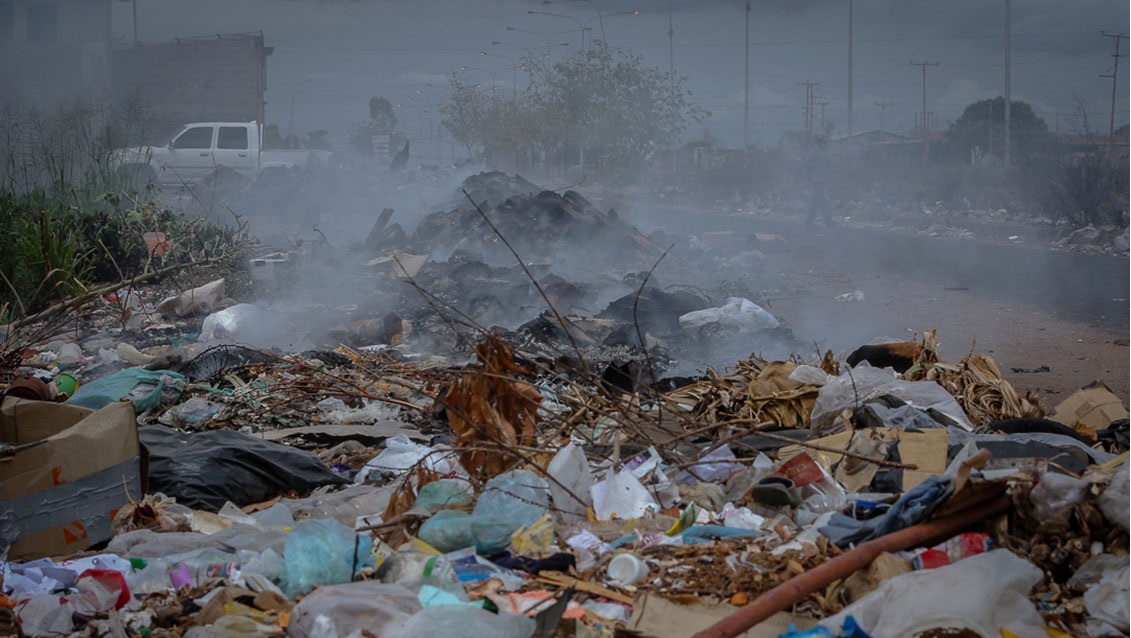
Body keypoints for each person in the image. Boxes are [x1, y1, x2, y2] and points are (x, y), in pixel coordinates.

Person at [804, 136, 834, 226]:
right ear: (818, 142)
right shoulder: (813, 151)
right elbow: (806, 163)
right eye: (821, 142)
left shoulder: (823, 152)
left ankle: (809, 222)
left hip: (822, 179)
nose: (823, 143)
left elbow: (827, 163)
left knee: (815, 202)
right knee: (822, 200)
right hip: (815, 179)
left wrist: (828, 163)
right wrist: (817, 164)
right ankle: (829, 222)